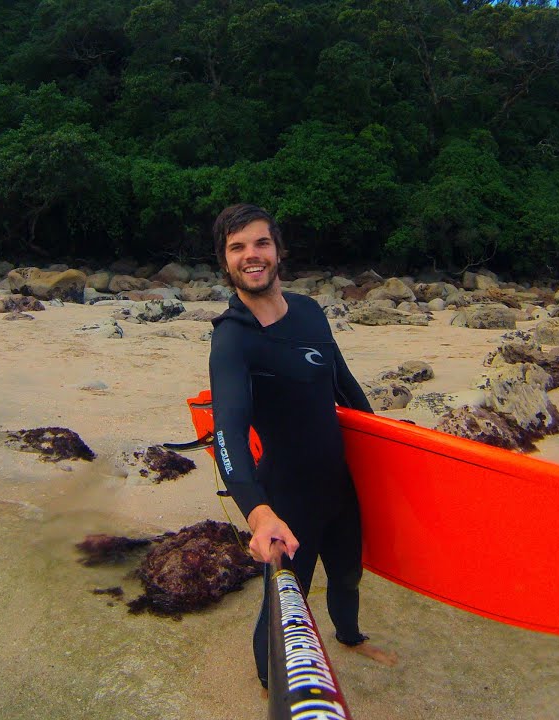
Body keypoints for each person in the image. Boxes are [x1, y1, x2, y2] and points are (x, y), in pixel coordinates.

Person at [206, 203, 397, 694]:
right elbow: (228, 435)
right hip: (287, 500)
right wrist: (259, 515)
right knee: (286, 603)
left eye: (261, 243)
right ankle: (272, 683)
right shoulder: (233, 341)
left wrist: (389, 447)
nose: (251, 255)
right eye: (237, 247)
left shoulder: (310, 312)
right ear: (225, 261)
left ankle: (350, 637)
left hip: (339, 487)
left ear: (278, 250)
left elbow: (345, 388)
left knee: (348, 575)